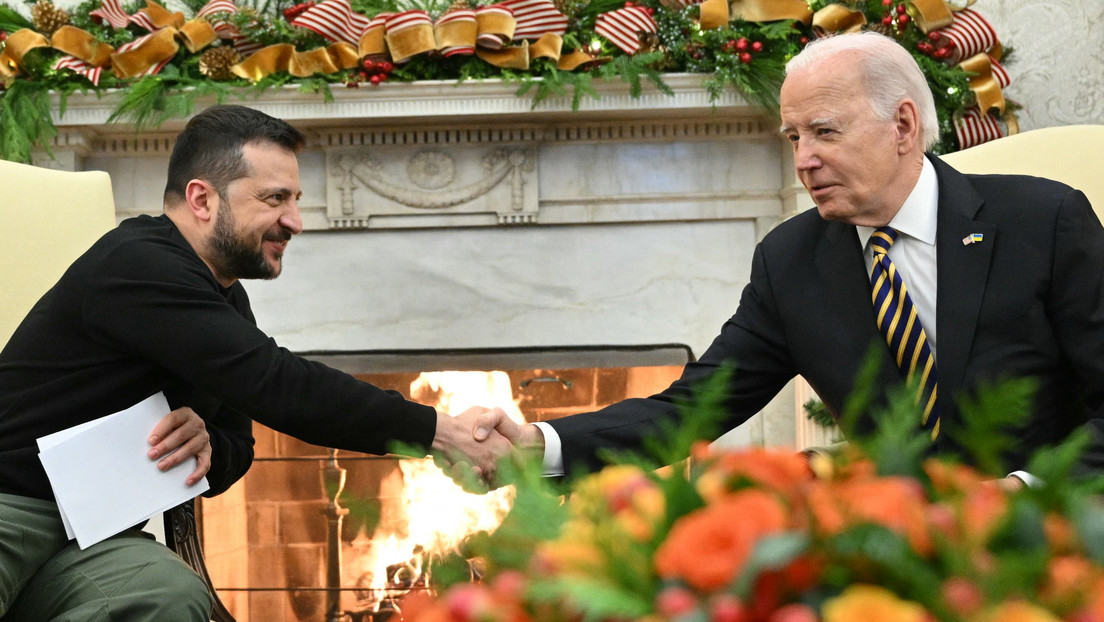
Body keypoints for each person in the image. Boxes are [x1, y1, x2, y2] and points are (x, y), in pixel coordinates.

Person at [479, 31, 1104, 486]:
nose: (804, 160)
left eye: (825, 132)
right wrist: (539, 444)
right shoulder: (791, 261)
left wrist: (1025, 492)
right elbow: (692, 407)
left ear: (903, 126)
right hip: (898, 552)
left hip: (1061, 531)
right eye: (795, 137)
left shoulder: (1043, 222)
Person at [0, 105, 511, 621]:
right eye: (274, 199)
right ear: (202, 199)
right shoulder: (137, 264)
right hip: (9, 507)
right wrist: (442, 432)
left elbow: (238, 445)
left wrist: (208, 445)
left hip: (91, 537)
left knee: (169, 593)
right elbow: (280, 386)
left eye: (296, 200)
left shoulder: (225, 296)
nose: (295, 222)